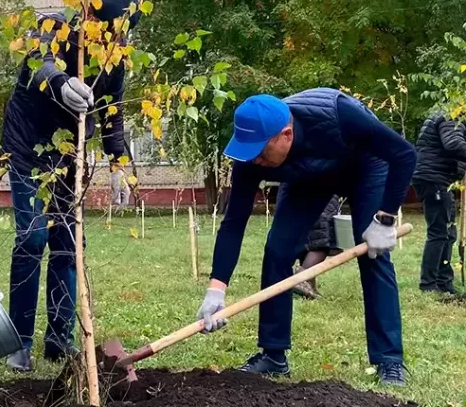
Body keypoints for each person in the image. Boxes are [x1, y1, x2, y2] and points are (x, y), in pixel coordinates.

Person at [196, 88, 416, 386]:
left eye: (261, 151)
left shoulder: (342, 116)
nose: (256, 160)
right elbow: (234, 222)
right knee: (278, 250)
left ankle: (389, 361)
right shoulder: (251, 155)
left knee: (373, 253)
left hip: (365, 165)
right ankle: (273, 356)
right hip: (310, 176)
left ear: (286, 134)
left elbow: (404, 154)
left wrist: (386, 218)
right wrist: (216, 289)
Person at [0, 0, 141, 371]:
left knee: (68, 243)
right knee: (32, 236)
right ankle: (19, 342)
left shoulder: (114, 59)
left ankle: (59, 340)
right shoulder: (53, 27)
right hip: (29, 147)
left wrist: (119, 166)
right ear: (91, 14)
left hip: (70, 155)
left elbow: (113, 116)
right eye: (111, 26)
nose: (118, 36)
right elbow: (36, 64)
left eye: (124, 30)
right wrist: (62, 83)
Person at [412, 110, 466, 295]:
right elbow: (454, 144)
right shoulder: (452, 114)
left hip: (441, 180)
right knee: (439, 232)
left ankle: (444, 282)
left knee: (449, 232)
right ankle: (428, 285)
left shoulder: (452, 115)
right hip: (434, 179)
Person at [291, 194, 342, 299]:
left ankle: (309, 286)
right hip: (324, 191)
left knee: (310, 240)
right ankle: (302, 279)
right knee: (322, 244)